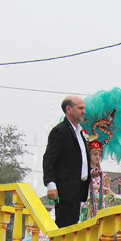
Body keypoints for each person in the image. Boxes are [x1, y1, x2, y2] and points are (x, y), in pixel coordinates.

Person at [42, 95, 89, 228]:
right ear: (68, 109)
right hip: (65, 188)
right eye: (80, 108)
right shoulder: (60, 131)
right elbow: (49, 159)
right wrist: (51, 184)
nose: (83, 111)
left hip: (77, 188)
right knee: (65, 226)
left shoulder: (80, 133)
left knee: (73, 225)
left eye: (84, 108)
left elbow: (78, 159)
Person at [79, 141, 112, 222]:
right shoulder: (83, 173)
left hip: (100, 207)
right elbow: (81, 185)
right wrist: (99, 187)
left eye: (100, 155)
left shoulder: (104, 175)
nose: (98, 157)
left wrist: (120, 188)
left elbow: (108, 192)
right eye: (95, 154)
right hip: (85, 206)